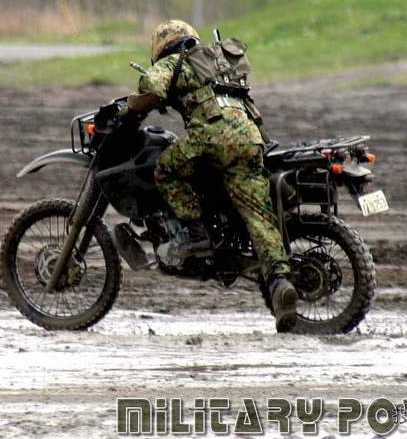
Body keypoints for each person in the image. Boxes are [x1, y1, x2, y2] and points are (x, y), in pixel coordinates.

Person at [121, 19, 298, 332]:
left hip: (211, 140)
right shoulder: (218, 63)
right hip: (249, 141)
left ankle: (194, 232)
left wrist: (126, 113)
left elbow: (150, 90)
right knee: (258, 217)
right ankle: (280, 282)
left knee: (166, 169)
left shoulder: (174, 62)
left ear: (163, 46)